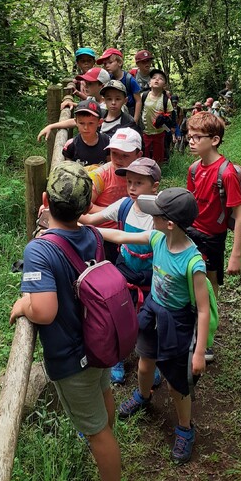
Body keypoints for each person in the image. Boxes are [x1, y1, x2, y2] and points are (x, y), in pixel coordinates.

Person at [10, 161, 121, 481]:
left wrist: (24, 303)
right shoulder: (93, 235)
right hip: (98, 341)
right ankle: (104, 435)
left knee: (98, 433)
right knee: (103, 394)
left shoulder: (40, 250)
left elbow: (44, 311)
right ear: (87, 207)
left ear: (45, 199)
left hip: (73, 357)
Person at [96, 188, 210, 465]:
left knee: (174, 382)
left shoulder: (193, 262)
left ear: (169, 223)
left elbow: (204, 310)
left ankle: (185, 427)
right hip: (152, 310)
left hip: (177, 322)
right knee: (145, 365)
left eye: (154, 213)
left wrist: (199, 352)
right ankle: (143, 396)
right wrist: (84, 227)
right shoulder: (158, 237)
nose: (149, 216)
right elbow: (121, 236)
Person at [80, 157, 161, 385]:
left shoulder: (161, 216)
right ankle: (118, 357)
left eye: (139, 183)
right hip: (125, 272)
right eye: (129, 182)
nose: (132, 188)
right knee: (119, 314)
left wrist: (92, 230)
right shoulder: (123, 206)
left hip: (152, 278)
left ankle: (149, 359)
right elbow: (90, 219)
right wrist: (61, 215)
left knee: (150, 319)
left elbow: (124, 237)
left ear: (155, 186)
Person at [185, 112, 241, 361]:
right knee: (190, 279)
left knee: (209, 287)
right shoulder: (192, 169)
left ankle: (206, 338)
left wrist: (235, 256)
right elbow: (189, 204)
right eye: (190, 136)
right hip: (192, 232)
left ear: (215, 140)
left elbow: (239, 216)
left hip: (213, 238)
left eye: (197, 137)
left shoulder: (227, 173)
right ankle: (192, 325)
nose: (191, 141)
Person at [88, 127, 143, 260]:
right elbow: (86, 206)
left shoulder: (144, 175)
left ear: (138, 155)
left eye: (125, 155)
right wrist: (114, 211)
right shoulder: (100, 176)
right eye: (114, 154)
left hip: (132, 232)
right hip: (103, 235)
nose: (118, 159)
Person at [96, 48, 142, 123]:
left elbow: (138, 100)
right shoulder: (108, 79)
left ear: (120, 63)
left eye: (110, 62)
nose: (107, 66)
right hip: (115, 112)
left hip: (130, 112)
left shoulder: (129, 80)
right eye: (105, 64)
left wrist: (135, 120)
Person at [141, 68, 175, 164]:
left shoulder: (165, 100)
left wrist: (168, 123)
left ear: (164, 85)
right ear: (149, 82)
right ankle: (144, 171)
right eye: (154, 78)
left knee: (158, 155)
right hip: (146, 131)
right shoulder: (143, 96)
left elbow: (170, 114)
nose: (156, 80)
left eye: (160, 78)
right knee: (145, 154)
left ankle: (157, 171)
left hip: (159, 132)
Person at [62, 100, 110, 168]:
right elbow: (69, 170)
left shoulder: (107, 141)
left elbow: (110, 166)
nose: (86, 127)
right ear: (76, 122)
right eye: (82, 123)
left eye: (91, 123)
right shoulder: (71, 145)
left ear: (100, 122)